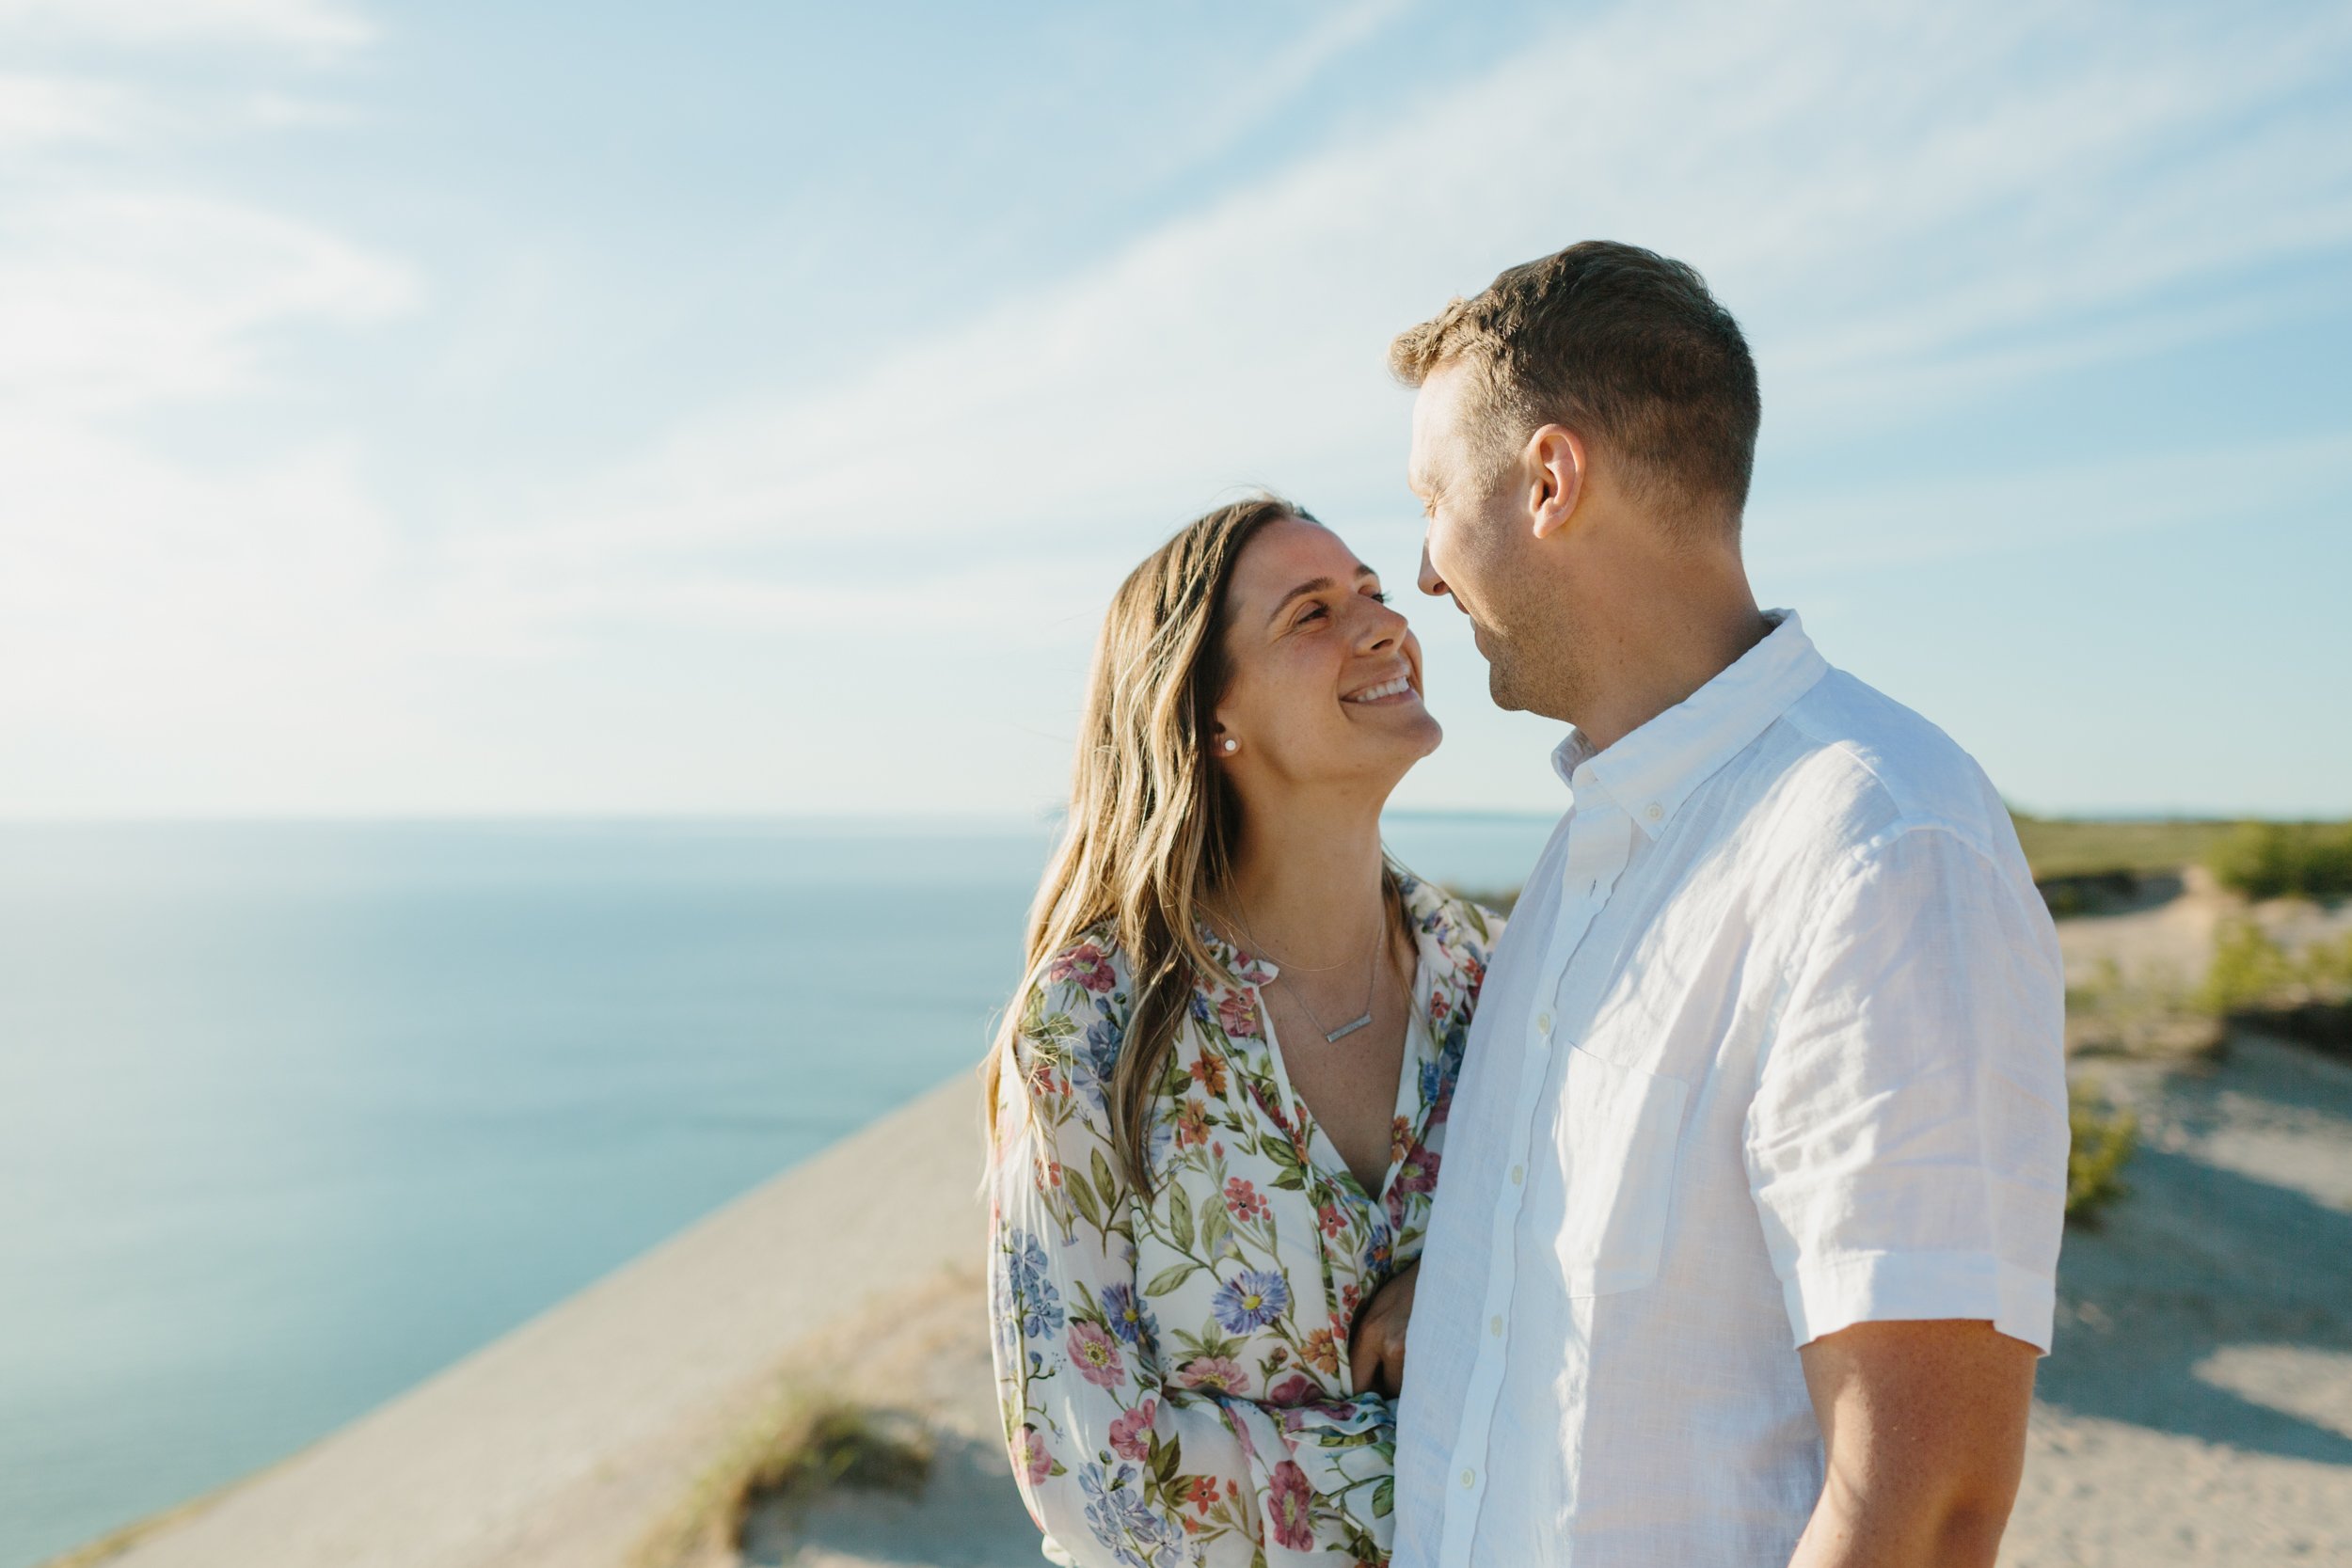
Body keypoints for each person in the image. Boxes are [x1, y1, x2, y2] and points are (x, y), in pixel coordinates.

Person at [1369, 242, 2070, 1567]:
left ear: (1548, 480)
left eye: (1433, 499)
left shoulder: (1877, 841)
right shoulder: (1578, 879)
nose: (1421, 573)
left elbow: (1924, 1503)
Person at [984, 496, 1502, 1565]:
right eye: (1309, 613)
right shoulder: (1095, 1020)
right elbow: (1094, 1482)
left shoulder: (1499, 979)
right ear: (1212, 714)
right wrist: (1473, 1466)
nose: (1379, 625)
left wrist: (1466, 1272)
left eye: (1371, 590)